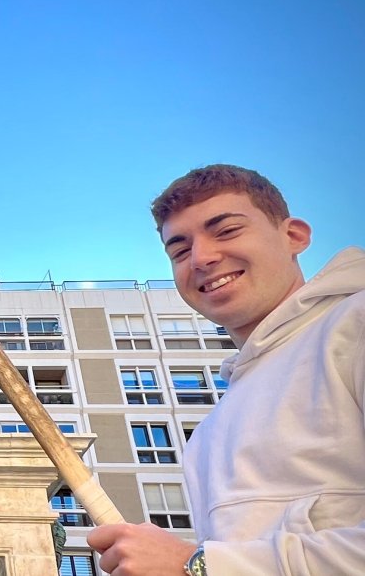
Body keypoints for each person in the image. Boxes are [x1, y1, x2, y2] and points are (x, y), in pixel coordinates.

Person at [88, 164, 365, 575]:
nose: (202, 257)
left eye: (227, 230)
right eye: (180, 250)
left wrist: (197, 566)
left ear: (294, 236)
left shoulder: (354, 325)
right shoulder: (208, 432)